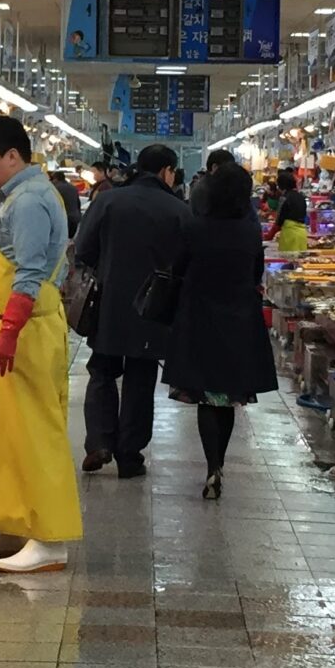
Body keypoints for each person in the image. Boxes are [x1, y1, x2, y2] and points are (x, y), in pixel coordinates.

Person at [0, 115, 82, 575]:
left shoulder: (30, 201)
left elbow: (30, 273)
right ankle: (17, 523)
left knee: (34, 434)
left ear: (12, 156)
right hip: (13, 326)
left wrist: (9, 331)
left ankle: (50, 539)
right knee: (7, 434)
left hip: (26, 330)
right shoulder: (20, 195)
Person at [71, 143, 192, 478]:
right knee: (141, 377)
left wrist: (108, 266)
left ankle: (99, 442)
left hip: (108, 302)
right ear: (167, 171)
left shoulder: (108, 201)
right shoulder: (179, 210)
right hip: (155, 308)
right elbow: (187, 261)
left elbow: (83, 249)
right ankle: (129, 455)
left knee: (102, 370)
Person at [166, 163, 281, 503]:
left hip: (199, 316)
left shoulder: (195, 226)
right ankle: (219, 464)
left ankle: (211, 464)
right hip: (239, 318)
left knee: (205, 395)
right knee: (228, 396)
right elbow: (256, 273)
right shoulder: (250, 231)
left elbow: (177, 268)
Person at [271, 170, 311, 257]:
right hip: (302, 235)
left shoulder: (284, 198)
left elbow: (278, 221)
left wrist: (269, 236)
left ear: (281, 186)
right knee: (300, 262)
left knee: (289, 262)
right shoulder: (301, 197)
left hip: (289, 236)